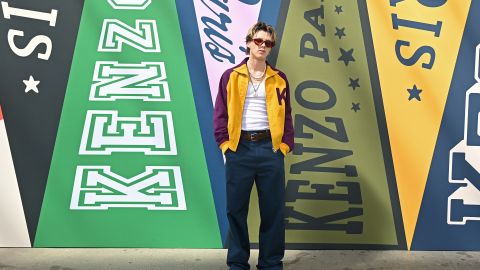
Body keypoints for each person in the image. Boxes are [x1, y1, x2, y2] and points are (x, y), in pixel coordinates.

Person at [213, 22, 294, 270]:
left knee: (273, 211)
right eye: (258, 41)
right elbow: (220, 114)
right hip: (240, 149)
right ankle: (237, 262)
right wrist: (226, 144)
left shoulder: (279, 79)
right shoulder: (231, 76)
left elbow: (287, 114)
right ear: (249, 42)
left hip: (270, 149)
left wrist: (284, 146)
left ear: (271, 48)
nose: (262, 46)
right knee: (236, 210)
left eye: (267, 43)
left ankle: (270, 262)